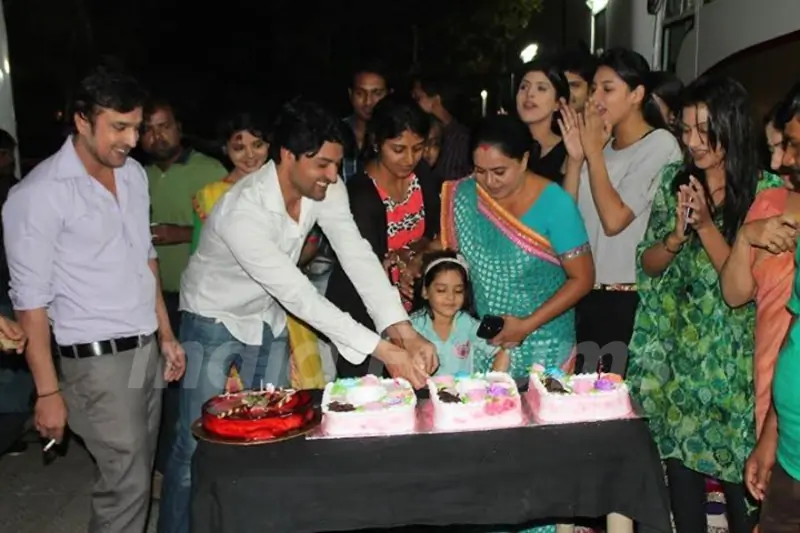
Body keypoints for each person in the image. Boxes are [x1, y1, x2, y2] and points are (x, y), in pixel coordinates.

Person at [159, 98, 438, 533]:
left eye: (337, 164)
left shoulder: (323, 188)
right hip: (212, 318)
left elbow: (357, 257)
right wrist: (384, 349)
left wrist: (404, 332)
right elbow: (300, 297)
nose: (333, 175)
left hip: (266, 317)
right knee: (199, 443)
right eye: (323, 164)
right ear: (288, 155)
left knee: (264, 436)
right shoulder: (241, 211)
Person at [3, 64, 185, 533]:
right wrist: (47, 392)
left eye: (136, 127)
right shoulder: (39, 194)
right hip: (96, 361)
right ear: (83, 121)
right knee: (126, 484)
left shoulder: (133, 177)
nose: (130, 139)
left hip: (145, 347)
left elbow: (145, 259)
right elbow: (30, 304)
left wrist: (165, 334)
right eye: (118, 127)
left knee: (138, 476)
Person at [628, 75, 783, 533]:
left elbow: (745, 286)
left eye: (703, 130)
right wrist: (676, 235)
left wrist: (706, 225)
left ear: (732, 127)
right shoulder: (675, 183)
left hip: (737, 367)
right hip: (681, 364)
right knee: (684, 497)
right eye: (685, 130)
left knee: (744, 497)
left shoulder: (767, 192)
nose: (692, 143)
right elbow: (648, 265)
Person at [441, 114, 594, 382]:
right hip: (488, 341)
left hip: (546, 342)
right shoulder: (465, 195)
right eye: (480, 171)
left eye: (500, 172)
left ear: (524, 160)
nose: (489, 182)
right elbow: (448, 253)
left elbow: (583, 279)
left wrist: (526, 325)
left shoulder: (555, 204)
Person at [560, 47, 681, 375]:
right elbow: (566, 221)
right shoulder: (598, 146)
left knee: (618, 409)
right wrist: (575, 158)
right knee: (585, 404)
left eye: (608, 89)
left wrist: (593, 155)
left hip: (628, 299)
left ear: (637, 94)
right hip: (586, 295)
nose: (596, 98)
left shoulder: (659, 145)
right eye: (594, 88)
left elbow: (614, 220)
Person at [191, 111, 325, 389]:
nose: (249, 155)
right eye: (239, 147)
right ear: (225, 149)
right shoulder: (211, 196)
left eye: (258, 145)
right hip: (227, 314)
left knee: (281, 397)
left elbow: (312, 242)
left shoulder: (291, 188)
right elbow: (200, 258)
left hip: (283, 306)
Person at [325, 96, 441, 377]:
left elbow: (435, 233)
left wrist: (413, 253)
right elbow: (365, 266)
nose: (409, 159)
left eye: (417, 148)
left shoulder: (421, 176)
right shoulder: (361, 193)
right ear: (377, 142)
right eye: (398, 149)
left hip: (409, 307)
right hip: (362, 311)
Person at [746, 83, 800, 533]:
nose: (780, 163)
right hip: (789, 455)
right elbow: (793, 335)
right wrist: (770, 436)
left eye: (793, 147)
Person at [410, 250, 508, 375]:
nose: (450, 297)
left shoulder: (467, 324)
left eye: (458, 291)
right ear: (425, 291)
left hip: (462, 393)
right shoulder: (411, 325)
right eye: (441, 290)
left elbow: (502, 349)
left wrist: (495, 385)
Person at [515, 56, 570, 185]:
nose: (529, 94)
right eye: (523, 87)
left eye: (541, 88)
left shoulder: (569, 150)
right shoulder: (505, 144)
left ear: (558, 103)